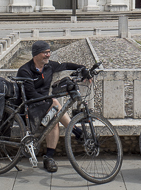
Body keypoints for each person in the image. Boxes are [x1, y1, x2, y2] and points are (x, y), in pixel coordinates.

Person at [16, 41, 87, 173]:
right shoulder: (25, 70)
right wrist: (49, 101)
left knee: (54, 122)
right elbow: (31, 94)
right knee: (54, 104)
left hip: (45, 106)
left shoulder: (48, 66)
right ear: (36, 54)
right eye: (45, 52)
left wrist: (82, 68)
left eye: (49, 52)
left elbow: (65, 65)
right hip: (30, 108)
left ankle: (48, 158)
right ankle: (76, 131)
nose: (48, 55)